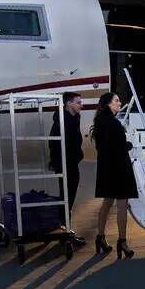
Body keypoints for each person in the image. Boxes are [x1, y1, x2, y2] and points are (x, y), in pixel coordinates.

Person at [92, 92, 139, 258]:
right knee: (122, 206)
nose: (120, 103)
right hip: (119, 169)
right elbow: (120, 146)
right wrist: (130, 144)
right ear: (108, 104)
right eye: (117, 101)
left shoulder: (99, 121)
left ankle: (100, 237)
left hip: (106, 169)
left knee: (107, 202)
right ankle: (122, 241)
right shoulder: (113, 123)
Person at [49, 91, 85, 246]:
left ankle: (64, 227)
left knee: (69, 195)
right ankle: (65, 231)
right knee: (67, 195)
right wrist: (57, 161)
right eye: (78, 102)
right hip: (65, 163)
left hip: (72, 162)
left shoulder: (74, 117)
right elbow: (54, 141)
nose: (81, 105)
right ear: (68, 103)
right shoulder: (62, 120)